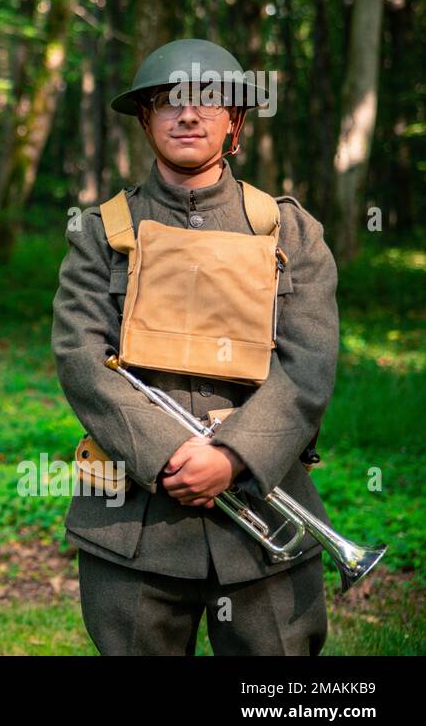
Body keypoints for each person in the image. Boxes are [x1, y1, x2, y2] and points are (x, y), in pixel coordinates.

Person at [52, 38, 338, 655]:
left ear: (234, 121)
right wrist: (168, 453)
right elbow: (81, 358)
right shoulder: (101, 232)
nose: (189, 115)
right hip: (134, 519)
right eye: (168, 102)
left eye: (210, 101)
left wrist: (233, 455)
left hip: (265, 509)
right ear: (147, 120)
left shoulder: (292, 231)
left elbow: (308, 366)